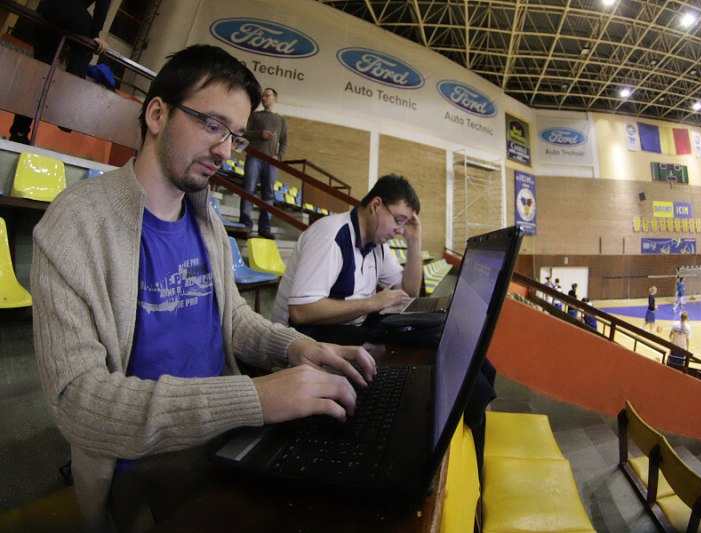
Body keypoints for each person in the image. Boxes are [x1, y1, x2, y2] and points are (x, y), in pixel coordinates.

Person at [31, 44, 376, 530]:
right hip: (143, 469)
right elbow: (79, 405)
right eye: (213, 125)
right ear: (157, 114)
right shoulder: (75, 225)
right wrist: (255, 398)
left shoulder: (204, 216)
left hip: (230, 436)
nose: (225, 151)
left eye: (234, 136)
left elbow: (230, 316)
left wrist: (296, 346)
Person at [271, 174, 423, 344]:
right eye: (398, 221)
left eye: (404, 224)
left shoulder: (378, 244)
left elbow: (410, 295)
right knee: (390, 344)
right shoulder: (330, 235)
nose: (400, 231)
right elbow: (300, 312)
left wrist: (414, 240)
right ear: (375, 205)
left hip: (347, 324)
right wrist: (371, 303)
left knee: (410, 331)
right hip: (299, 338)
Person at [8, 0, 111, 145]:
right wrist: (95, 35)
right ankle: (65, 111)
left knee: (41, 70)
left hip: (47, 8)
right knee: (85, 47)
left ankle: (19, 132)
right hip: (75, 13)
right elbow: (102, 5)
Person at [238, 87, 287, 239]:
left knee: (268, 194)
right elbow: (244, 132)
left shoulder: (281, 120)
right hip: (254, 157)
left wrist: (279, 156)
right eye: (263, 96)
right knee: (248, 189)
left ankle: (264, 228)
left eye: (267, 95)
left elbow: (284, 142)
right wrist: (260, 134)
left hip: (271, 161)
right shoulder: (255, 115)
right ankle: (245, 225)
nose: (264, 98)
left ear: (275, 98)